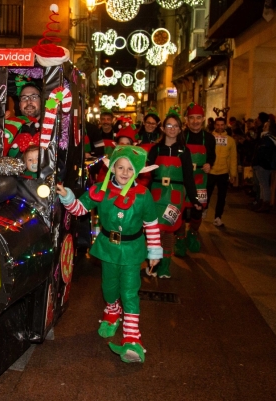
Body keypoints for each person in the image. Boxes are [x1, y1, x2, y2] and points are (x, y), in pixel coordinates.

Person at [56, 145, 162, 363]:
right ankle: (112, 311)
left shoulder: (143, 195)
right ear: (112, 168)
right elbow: (79, 209)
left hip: (132, 251)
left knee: (130, 292)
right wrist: (67, 196)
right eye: (120, 167)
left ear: (138, 172)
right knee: (109, 287)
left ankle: (132, 338)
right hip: (108, 248)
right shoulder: (100, 191)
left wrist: (154, 251)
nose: (124, 172)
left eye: (130, 169)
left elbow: (151, 224)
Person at [147, 111, 201, 278]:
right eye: (169, 125)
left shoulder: (184, 151)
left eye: (175, 126)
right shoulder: (155, 149)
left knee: (169, 231)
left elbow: (189, 178)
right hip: (156, 195)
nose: (172, 129)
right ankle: (152, 265)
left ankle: (165, 267)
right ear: (163, 128)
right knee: (155, 231)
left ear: (180, 129)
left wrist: (194, 198)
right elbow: (147, 174)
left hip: (175, 197)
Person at [176, 102, 216, 255]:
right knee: (180, 208)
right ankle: (180, 238)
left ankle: (192, 234)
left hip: (200, 179)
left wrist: (209, 164)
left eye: (198, 118)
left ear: (203, 118)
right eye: (192, 118)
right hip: (183, 178)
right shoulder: (181, 136)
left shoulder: (209, 138)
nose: (195, 121)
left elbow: (212, 155)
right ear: (186, 119)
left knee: (197, 210)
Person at [206, 118, 237, 227]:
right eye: (218, 125)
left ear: (225, 126)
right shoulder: (209, 138)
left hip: (223, 172)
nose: (220, 127)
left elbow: (233, 158)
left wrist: (233, 174)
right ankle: (204, 211)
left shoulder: (230, 140)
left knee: (222, 197)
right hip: (210, 171)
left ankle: (218, 217)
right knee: (206, 195)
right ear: (215, 125)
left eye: (222, 125)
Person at [251, 121, 276, 213]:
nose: (263, 127)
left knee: (264, 185)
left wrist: (257, 162)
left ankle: (265, 203)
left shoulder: (267, 139)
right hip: (262, 164)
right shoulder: (267, 138)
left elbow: (262, 153)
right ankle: (262, 202)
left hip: (263, 165)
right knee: (262, 184)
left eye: (266, 126)